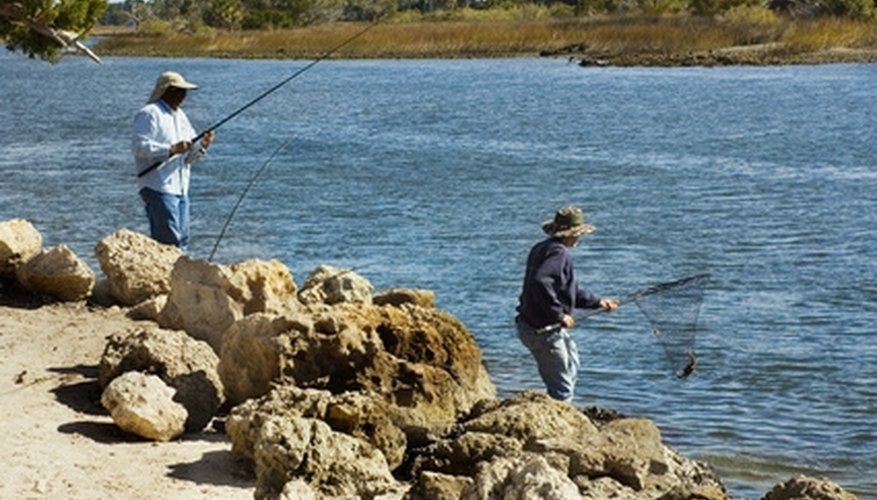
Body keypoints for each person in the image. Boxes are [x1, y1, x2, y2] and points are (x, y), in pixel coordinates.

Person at [515, 205, 619, 403]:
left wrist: (599, 302)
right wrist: (559, 315)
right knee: (562, 389)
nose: (579, 238)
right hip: (543, 330)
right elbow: (541, 281)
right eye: (578, 233)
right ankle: (561, 426)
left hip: (530, 325)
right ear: (571, 233)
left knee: (572, 364)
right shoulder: (559, 253)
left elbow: (569, 291)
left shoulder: (541, 247)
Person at [132, 70, 215, 251]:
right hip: (157, 186)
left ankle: (177, 275)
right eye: (178, 90)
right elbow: (139, 148)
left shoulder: (181, 116)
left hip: (181, 188)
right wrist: (171, 150)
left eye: (184, 91)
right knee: (168, 240)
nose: (183, 95)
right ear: (166, 90)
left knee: (182, 239)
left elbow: (188, 158)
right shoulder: (149, 113)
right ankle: (165, 275)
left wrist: (202, 145)